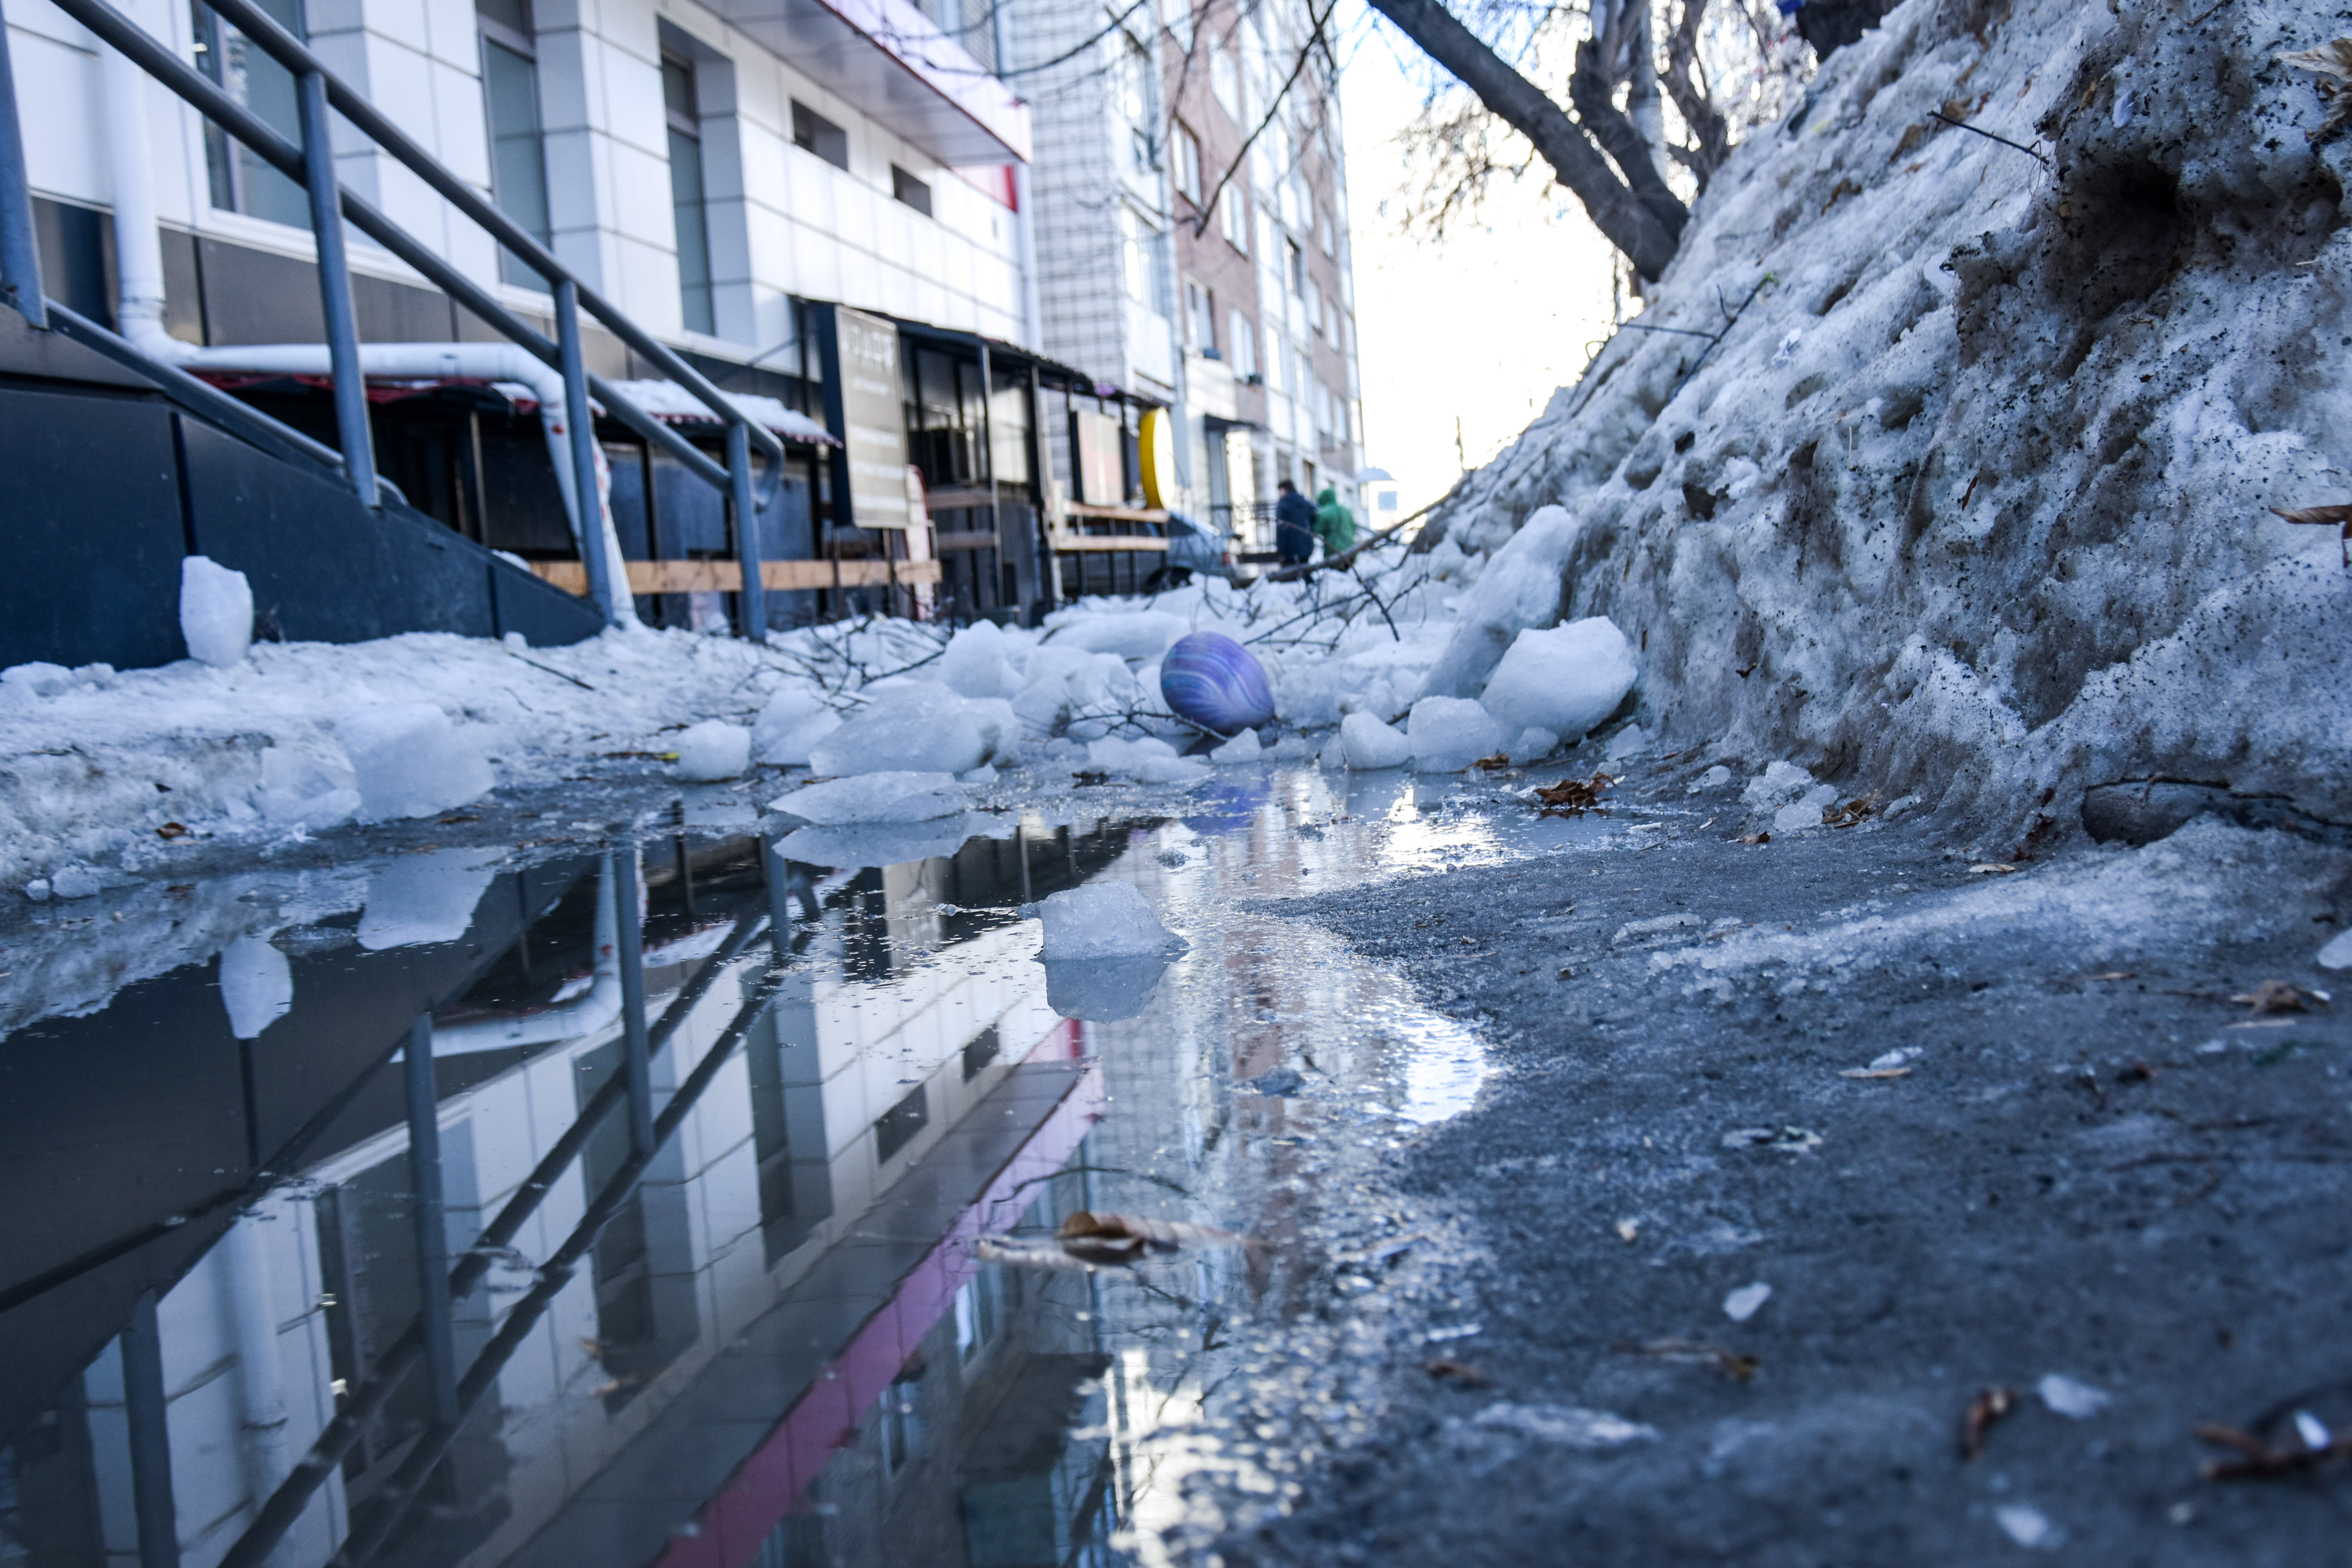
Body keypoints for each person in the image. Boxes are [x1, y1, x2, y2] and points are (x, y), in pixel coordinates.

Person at [1273, 479, 1317, 566]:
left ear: (1285, 490)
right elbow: (1313, 523)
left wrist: (1281, 551)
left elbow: (1282, 530)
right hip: (1306, 549)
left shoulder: (1283, 505)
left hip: (1289, 551)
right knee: (1305, 573)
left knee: (1289, 577)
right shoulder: (1306, 504)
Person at [1313, 484, 1357, 559]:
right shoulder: (1346, 511)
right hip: (1351, 551)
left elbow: (1316, 529)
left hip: (1334, 552)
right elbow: (1354, 528)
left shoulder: (1324, 512)